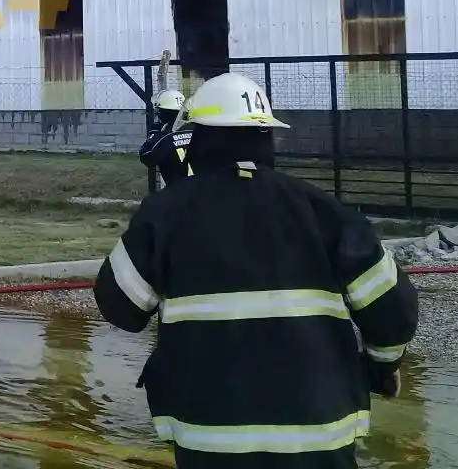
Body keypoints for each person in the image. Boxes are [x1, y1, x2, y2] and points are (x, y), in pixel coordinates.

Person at [94, 73, 419, 468]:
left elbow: (119, 306)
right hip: (320, 439)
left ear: (195, 137)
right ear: (267, 137)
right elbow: (393, 308)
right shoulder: (324, 212)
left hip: (209, 441)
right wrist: (380, 368)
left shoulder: (164, 215)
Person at [137, 89, 190, 193]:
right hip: (203, 188)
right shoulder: (197, 129)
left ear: (167, 113)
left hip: (179, 193)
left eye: (160, 111)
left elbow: (146, 156)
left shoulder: (164, 138)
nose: (158, 114)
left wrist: (154, 134)